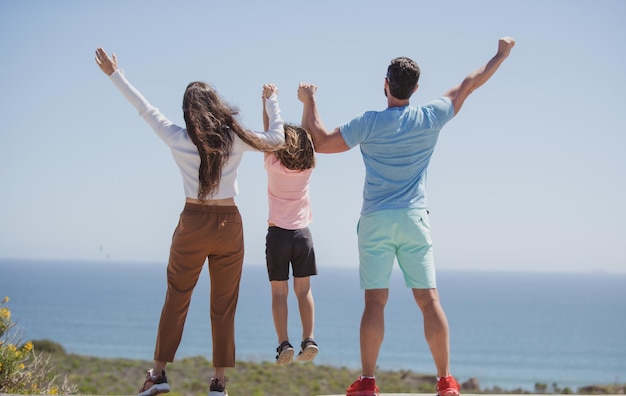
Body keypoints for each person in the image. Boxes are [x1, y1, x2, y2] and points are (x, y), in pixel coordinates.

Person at [297, 37, 516, 396]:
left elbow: (318, 140)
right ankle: (445, 381)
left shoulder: (368, 123)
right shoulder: (431, 116)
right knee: (429, 301)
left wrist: (310, 102)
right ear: (415, 88)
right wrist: (501, 54)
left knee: (374, 302)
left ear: (385, 85)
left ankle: (368, 382)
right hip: (414, 219)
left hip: (376, 221)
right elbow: (470, 83)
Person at [95, 47, 285, 396]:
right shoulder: (235, 138)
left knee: (176, 298)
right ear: (217, 108)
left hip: (192, 224)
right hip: (229, 224)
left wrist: (115, 75)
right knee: (224, 304)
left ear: (187, 112)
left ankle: (159, 375)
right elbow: (277, 140)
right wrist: (272, 101)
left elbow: (144, 109)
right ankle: (218, 383)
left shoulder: (177, 138)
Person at [261, 92, 319, 365]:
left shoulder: (273, 164)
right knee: (303, 291)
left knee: (279, 292)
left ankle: (284, 343)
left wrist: (269, 101)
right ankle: (309, 338)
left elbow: (270, 132)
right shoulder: (307, 168)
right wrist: (309, 101)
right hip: (302, 236)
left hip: (278, 236)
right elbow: (306, 135)